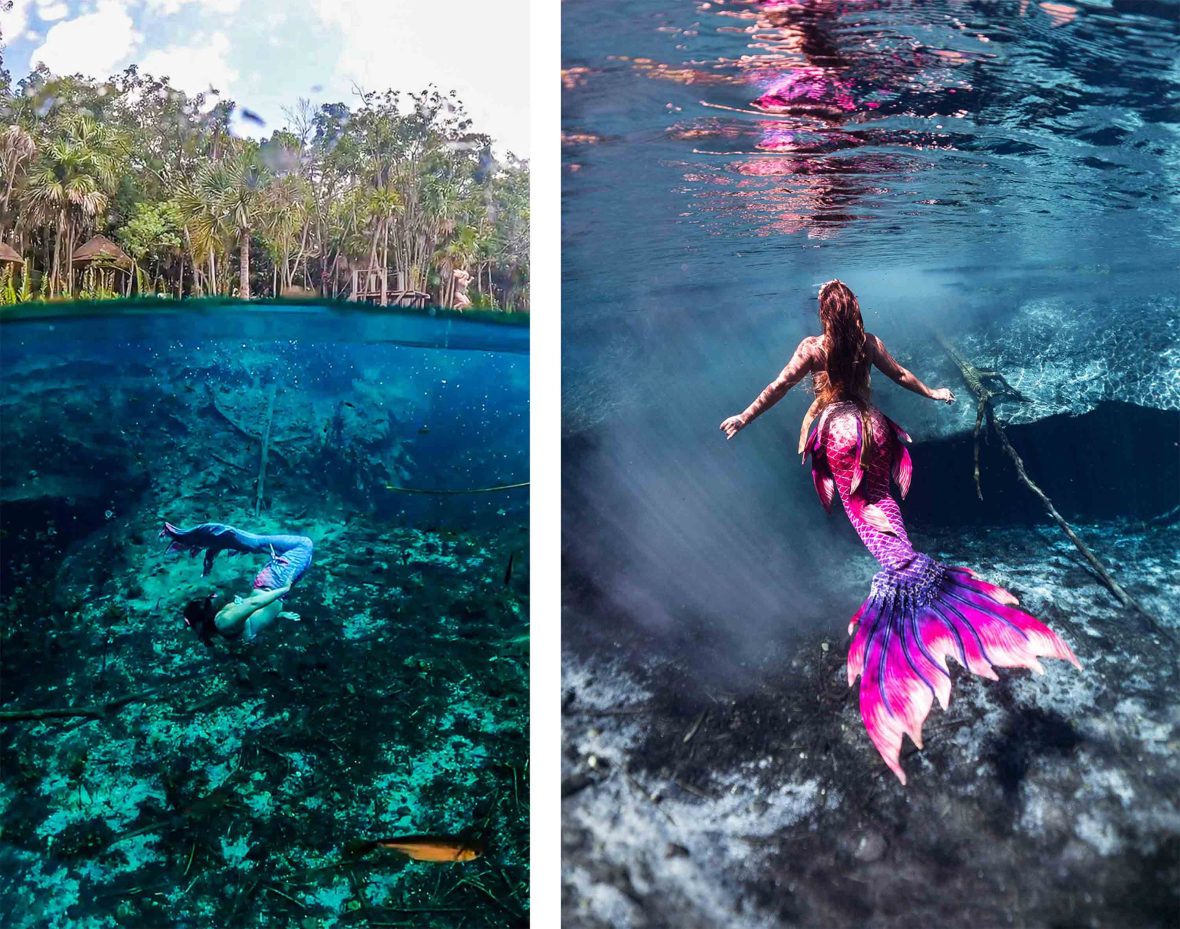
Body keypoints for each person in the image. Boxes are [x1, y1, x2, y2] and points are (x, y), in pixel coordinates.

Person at [720, 280, 1079, 784]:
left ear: (824, 314)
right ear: (857, 313)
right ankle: (918, 578)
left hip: (838, 429)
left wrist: (745, 416)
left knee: (863, 507)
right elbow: (901, 373)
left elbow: (778, 388)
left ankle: (905, 590)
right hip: (874, 426)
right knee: (882, 503)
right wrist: (931, 392)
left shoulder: (813, 349)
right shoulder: (867, 344)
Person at [161, 522, 314, 645]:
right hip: (276, 585)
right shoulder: (224, 623)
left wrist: (281, 592)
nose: (213, 598)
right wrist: (279, 608)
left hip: (274, 584)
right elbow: (253, 607)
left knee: (301, 546)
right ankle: (214, 541)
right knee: (301, 547)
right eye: (208, 600)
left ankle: (216, 540)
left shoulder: (222, 625)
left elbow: (253, 607)